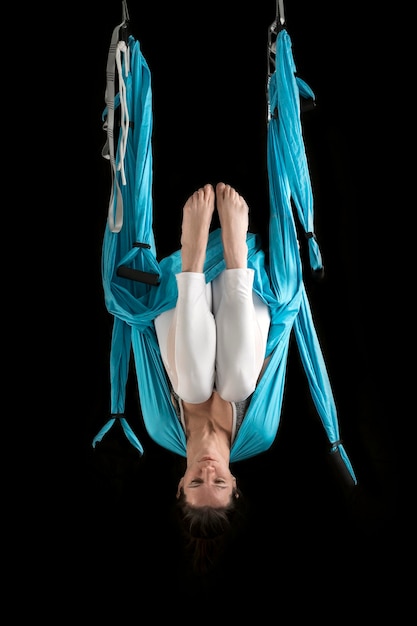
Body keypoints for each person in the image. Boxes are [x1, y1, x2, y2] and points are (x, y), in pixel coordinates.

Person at [154, 182, 272, 572]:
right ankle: (234, 251)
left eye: (195, 484)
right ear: (236, 485)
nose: (208, 470)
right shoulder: (260, 433)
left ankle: (193, 257)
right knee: (238, 383)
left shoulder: (160, 428)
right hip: (244, 292)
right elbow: (274, 353)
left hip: (177, 297)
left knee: (191, 385)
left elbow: (146, 349)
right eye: (219, 484)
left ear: (178, 487)